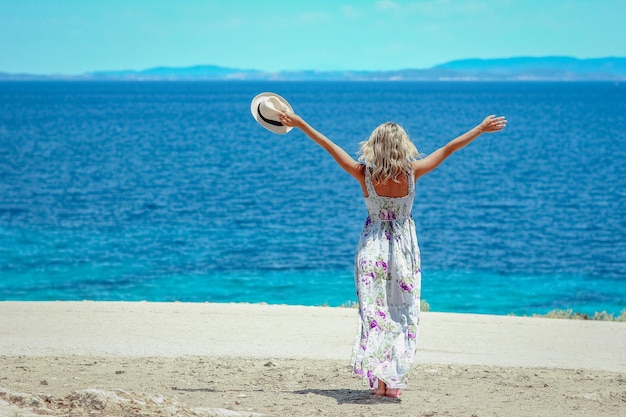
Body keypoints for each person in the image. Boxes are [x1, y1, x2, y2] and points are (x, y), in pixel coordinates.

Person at [277, 108, 507, 399]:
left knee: (375, 315)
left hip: (371, 250)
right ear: (403, 146)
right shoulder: (414, 172)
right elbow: (449, 147)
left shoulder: (364, 174)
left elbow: (328, 145)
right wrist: (480, 128)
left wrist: (299, 123)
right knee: (402, 315)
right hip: (403, 252)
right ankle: (393, 383)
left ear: (375, 146)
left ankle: (379, 383)